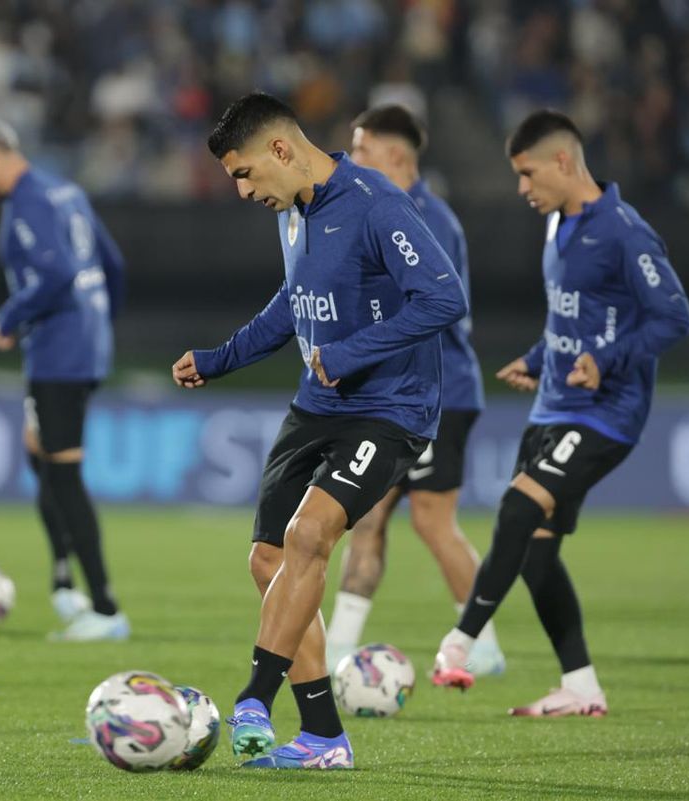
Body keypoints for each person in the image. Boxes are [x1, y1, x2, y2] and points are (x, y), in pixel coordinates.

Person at [172, 92, 468, 769]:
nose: (244, 190)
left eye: (245, 174)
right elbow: (292, 302)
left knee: (312, 534)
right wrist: (219, 360)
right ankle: (324, 737)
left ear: (281, 149)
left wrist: (352, 352)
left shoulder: (376, 202)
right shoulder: (295, 212)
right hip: (318, 406)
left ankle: (254, 694)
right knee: (268, 558)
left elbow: (444, 296)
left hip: (390, 407)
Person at [431, 110, 689, 717]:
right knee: (537, 554)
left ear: (563, 162)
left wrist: (609, 360)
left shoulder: (626, 232)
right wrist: (535, 356)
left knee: (519, 506)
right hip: (553, 405)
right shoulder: (556, 226)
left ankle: (461, 642)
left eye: (527, 174)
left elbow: (674, 317)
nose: (522, 188)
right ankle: (581, 686)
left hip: (606, 413)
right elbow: (569, 317)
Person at [324, 105, 505, 677]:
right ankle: (336, 652)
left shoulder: (429, 218)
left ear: (396, 155)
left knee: (431, 521)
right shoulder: (376, 208)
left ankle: (486, 645)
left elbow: (438, 308)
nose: (352, 158)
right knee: (367, 517)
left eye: (364, 147)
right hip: (389, 394)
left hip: (438, 391)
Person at [0, 114, 129, 641]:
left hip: (58, 356)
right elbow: (111, 265)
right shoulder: (66, 191)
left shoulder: (28, 201)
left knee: (64, 474)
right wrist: (100, 327)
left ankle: (105, 608)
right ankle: (63, 583)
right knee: (40, 455)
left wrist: (7, 318)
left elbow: (53, 274)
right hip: (82, 348)